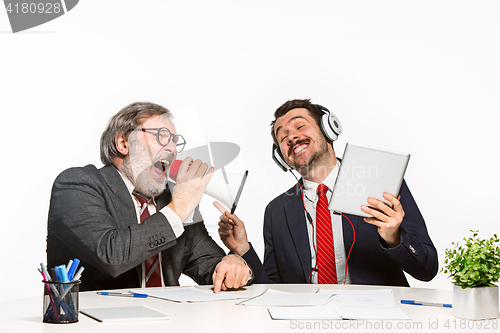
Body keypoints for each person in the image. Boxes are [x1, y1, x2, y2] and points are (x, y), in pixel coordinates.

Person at [216, 99, 438, 286]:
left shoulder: (381, 183)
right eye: (283, 138)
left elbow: (427, 269)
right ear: (281, 157)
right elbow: (273, 289)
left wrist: (393, 237)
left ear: (328, 128)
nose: (291, 137)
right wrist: (243, 248)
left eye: (300, 126)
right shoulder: (276, 211)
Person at [47, 101, 250, 293]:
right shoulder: (78, 184)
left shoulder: (170, 200)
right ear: (123, 143)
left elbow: (211, 266)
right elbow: (111, 256)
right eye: (162, 136)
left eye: (175, 141)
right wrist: (178, 209)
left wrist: (235, 262)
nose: (172, 149)